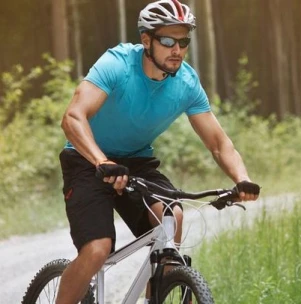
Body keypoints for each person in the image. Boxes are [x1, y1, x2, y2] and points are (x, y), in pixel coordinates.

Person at [55, 0, 260, 303]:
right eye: (168, 40)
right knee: (98, 248)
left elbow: (218, 143)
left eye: (183, 41)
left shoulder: (187, 83)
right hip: (87, 159)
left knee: (171, 215)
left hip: (136, 162)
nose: (177, 49)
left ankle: (157, 294)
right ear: (146, 40)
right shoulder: (118, 64)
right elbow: (73, 117)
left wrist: (242, 178)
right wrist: (101, 161)